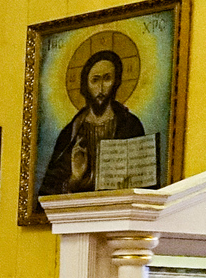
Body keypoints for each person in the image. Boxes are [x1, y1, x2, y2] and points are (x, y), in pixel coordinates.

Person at [38, 48, 151, 196]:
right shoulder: (70, 133)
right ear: (86, 85)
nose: (101, 88)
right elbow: (48, 195)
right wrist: (75, 178)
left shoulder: (130, 125)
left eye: (107, 78)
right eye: (95, 80)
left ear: (116, 82)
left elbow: (145, 187)